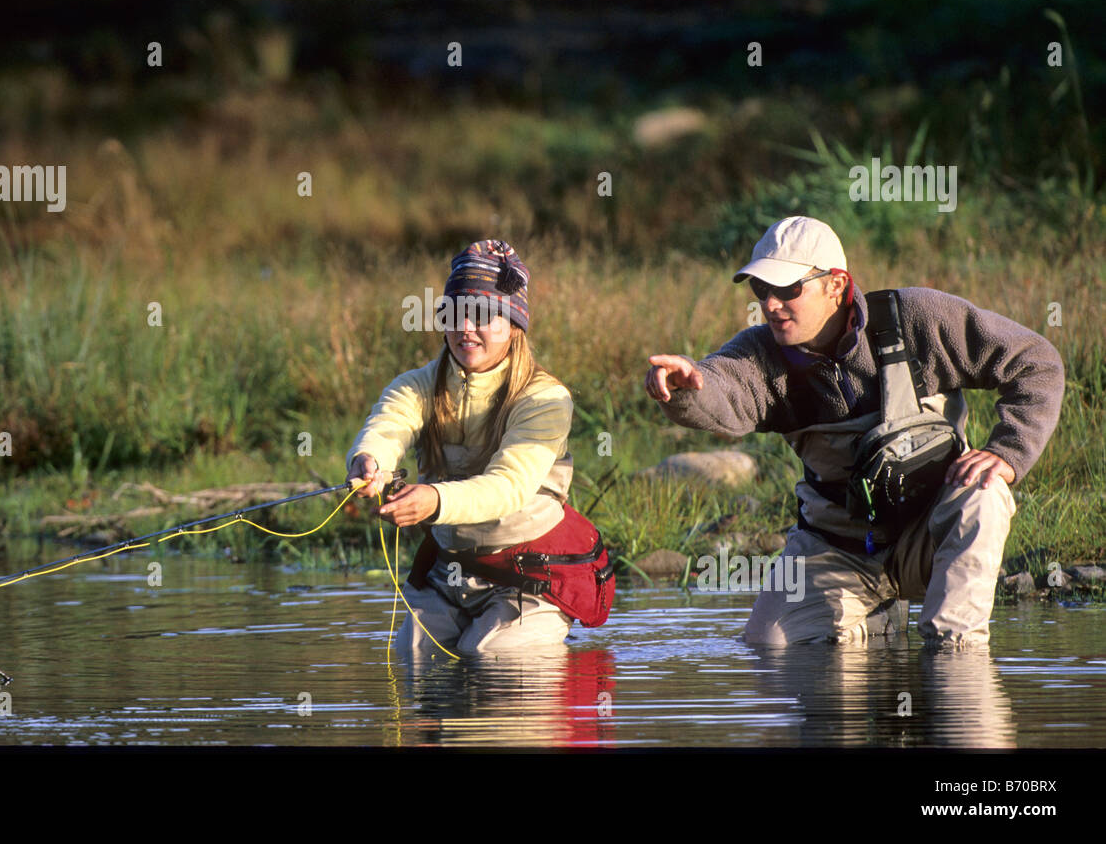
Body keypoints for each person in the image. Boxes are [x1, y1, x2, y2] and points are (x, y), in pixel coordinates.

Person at [644, 216, 1064, 649]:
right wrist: (685, 389)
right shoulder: (761, 354)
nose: (770, 304)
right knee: (769, 648)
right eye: (760, 290)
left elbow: (1035, 362)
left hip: (929, 536)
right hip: (835, 548)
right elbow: (723, 387)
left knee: (984, 493)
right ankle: (876, 621)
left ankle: (955, 659)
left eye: (788, 289)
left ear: (836, 285)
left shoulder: (918, 318)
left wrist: (1009, 451)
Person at [347, 239, 612, 655]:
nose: (465, 328)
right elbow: (387, 427)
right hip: (450, 571)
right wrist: (369, 461)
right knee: (414, 656)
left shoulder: (545, 398)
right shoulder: (417, 385)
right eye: (455, 314)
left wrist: (434, 499)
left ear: (514, 325)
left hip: (530, 574)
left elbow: (509, 486)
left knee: (491, 656)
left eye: (483, 315)